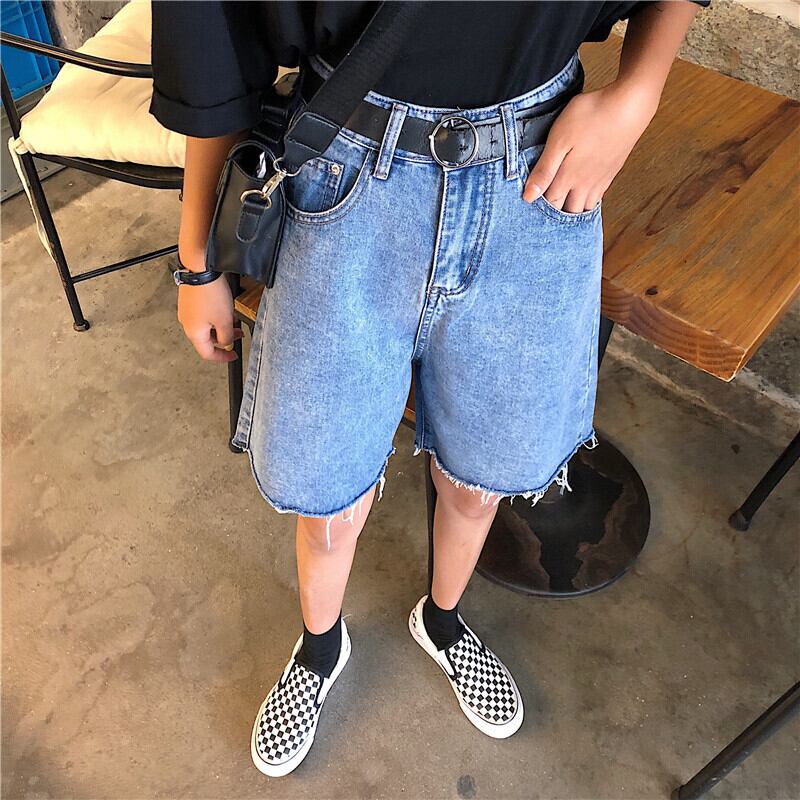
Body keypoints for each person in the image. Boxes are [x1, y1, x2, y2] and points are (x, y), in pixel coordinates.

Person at [149, 0, 709, 777]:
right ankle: (319, 647)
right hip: (346, 177)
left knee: (483, 479)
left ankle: (443, 621)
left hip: (536, 178)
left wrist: (637, 96)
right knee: (327, 495)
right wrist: (196, 259)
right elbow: (210, 42)